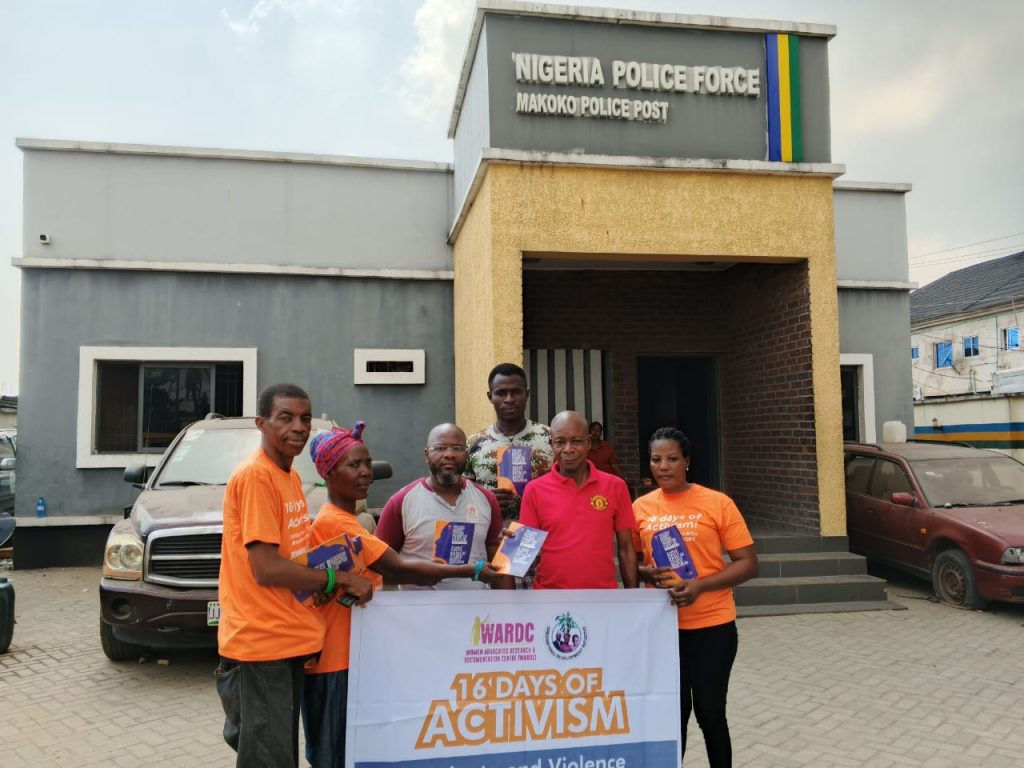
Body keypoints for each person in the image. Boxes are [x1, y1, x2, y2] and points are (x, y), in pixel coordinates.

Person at [302, 421, 500, 768]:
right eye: (354, 465)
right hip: (333, 659)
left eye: (367, 464)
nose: (366, 474)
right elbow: (400, 570)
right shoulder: (337, 524)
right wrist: (471, 570)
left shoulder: (347, 522)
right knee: (332, 753)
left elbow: (331, 582)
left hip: (357, 653)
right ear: (329, 474)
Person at [215, 383, 374, 768]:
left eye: (305, 418)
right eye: (285, 417)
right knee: (270, 760)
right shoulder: (257, 477)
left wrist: (315, 588)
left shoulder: (287, 477)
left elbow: (293, 557)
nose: (298, 427)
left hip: (288, 639)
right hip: (261, 644)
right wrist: (338, 581)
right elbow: (266, 567)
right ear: (261, 423)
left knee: (278, 754)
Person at [631, 427, 759, 768]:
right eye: (656, 460)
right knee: (673, 716)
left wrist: (701, 586)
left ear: (687, 461)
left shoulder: (717, 502)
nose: (663, 466)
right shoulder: (640, 507)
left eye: (672, 458)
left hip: (712, 626)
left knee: (710, 712)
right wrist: (647, 574)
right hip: (662, 628)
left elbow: (748, 564)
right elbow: (633, 562)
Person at [375, 423, 515, 590]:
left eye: (457, 448)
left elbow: (498, 565)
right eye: (440, 448)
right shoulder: (401, 501)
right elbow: (378, 564)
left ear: (467, 454)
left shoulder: (486, 499)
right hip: (419, 611)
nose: (449, 455)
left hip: (475, 611)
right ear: (427, 455)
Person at [517, 410, 638, 589]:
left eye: (576, 441)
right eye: (560, 442)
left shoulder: (615, 486)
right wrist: (510, 546)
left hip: (601, 599)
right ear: (551, 444)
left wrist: (633, 600)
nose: (568, 449)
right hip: (549, 601)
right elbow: (524, 553)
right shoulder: (534, 490)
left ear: (589, 442)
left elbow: (626, 549)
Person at [464, 362, 553, 522]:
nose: (509, 399)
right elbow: (462, 498)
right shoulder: (473, 444)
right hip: (489, 538)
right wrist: (485, 501)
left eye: (516, 392)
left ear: (527, 394)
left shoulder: (550, 438)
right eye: (501, 393)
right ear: (490, 396)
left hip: (540, 536)